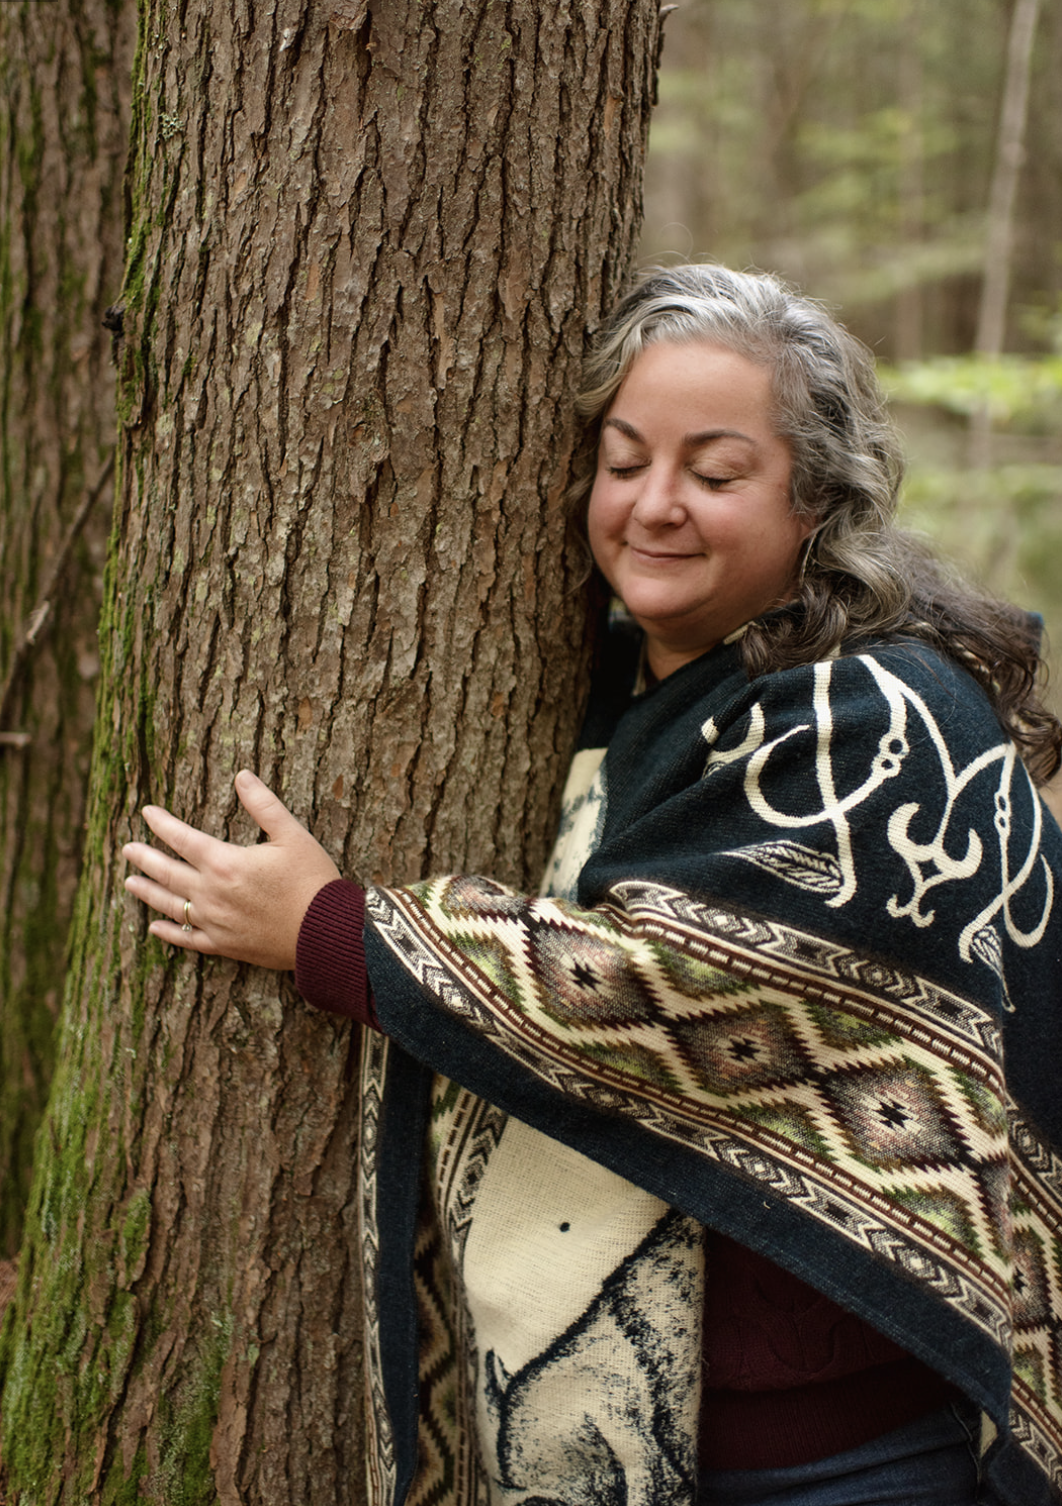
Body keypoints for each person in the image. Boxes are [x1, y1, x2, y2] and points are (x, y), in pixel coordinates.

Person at [124, 264, 1062, 1506]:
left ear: (816, 501)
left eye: (717, 474)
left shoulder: (880, 709)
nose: (657, 505)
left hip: (847, 1456)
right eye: (625, 461)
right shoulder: (613, 689)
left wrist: (332, 931)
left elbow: (682, 993)